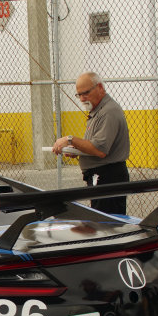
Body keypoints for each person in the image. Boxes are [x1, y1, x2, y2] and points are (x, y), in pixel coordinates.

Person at [52, 71, 130, 215]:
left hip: (108, 177)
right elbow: (94, 144)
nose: (82, 99)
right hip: (100, 177)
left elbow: (100, 149)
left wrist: (70, 139)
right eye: (79, 95)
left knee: (106, 225)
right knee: (102, 222)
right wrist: (76, 149)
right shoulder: (98, 111)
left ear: (100, 87)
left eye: (85, 93)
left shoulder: (108, 112)